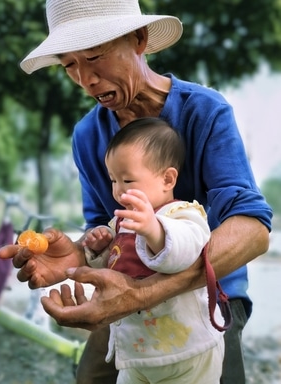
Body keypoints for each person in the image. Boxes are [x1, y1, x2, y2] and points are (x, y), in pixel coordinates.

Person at [0, 0, 272, 383]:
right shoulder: (88, 135)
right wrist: (76, 256)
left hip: (209, 296)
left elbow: (252, 231)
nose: (85, 79)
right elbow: (109, 232)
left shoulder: (205, 112)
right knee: (91, 377)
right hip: (129, 295)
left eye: (94, 56)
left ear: (140, 39)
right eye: (69, 64)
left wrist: (143, 294)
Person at [82, 117, 224, 383]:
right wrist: (100, 249)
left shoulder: (183, 214)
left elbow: (185, 253)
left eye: (127, 180)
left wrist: (154, 229)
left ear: (167, 179)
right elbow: (114, 266)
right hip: (136, 350)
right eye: (113, 180)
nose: (118, 191)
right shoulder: (123, 222)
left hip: (186, 351)